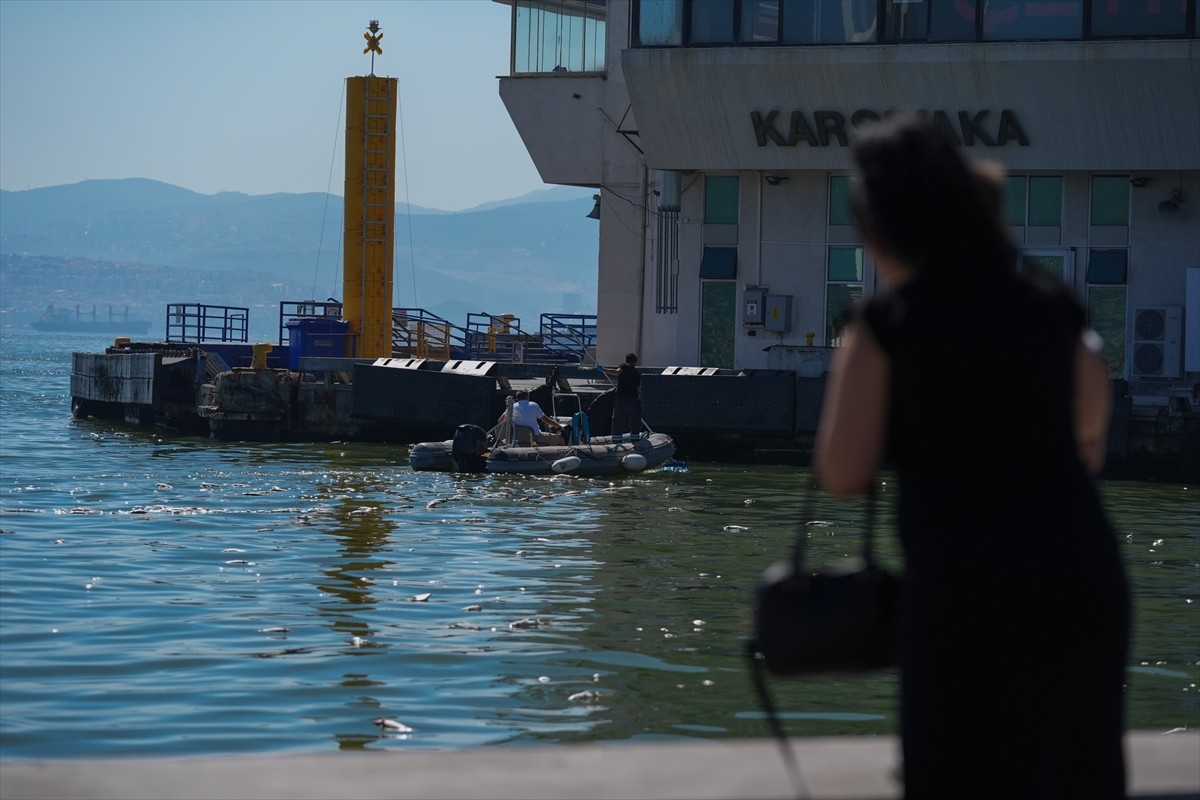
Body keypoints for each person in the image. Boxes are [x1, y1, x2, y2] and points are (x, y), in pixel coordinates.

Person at [814, 113, 1130, 799]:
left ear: (879, 232)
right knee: (1078, 773)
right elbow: (1090, 436)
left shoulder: (885, 325)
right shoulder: (1053, 306)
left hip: (964, 589)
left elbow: (842, 472)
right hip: (1081, 576)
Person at [499, 388, 563, 446]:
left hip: (518, 437)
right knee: (561, 440)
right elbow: (545, 419)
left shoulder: (512, 407)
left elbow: (500, 421)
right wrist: (557, 425)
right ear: (527, 396)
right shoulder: (533, 405)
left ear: (517, 397)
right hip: (535, 436)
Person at [602, 353, 641, 436]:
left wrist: (604, 369)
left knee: (618, 421)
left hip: (622, 399)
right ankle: (635, 439)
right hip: (634, 399)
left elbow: (617, 372)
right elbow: (638, 389)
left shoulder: (624, 367)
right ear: (635, 362)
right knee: (634, 422)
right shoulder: (636, 373)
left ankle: (616, 439)